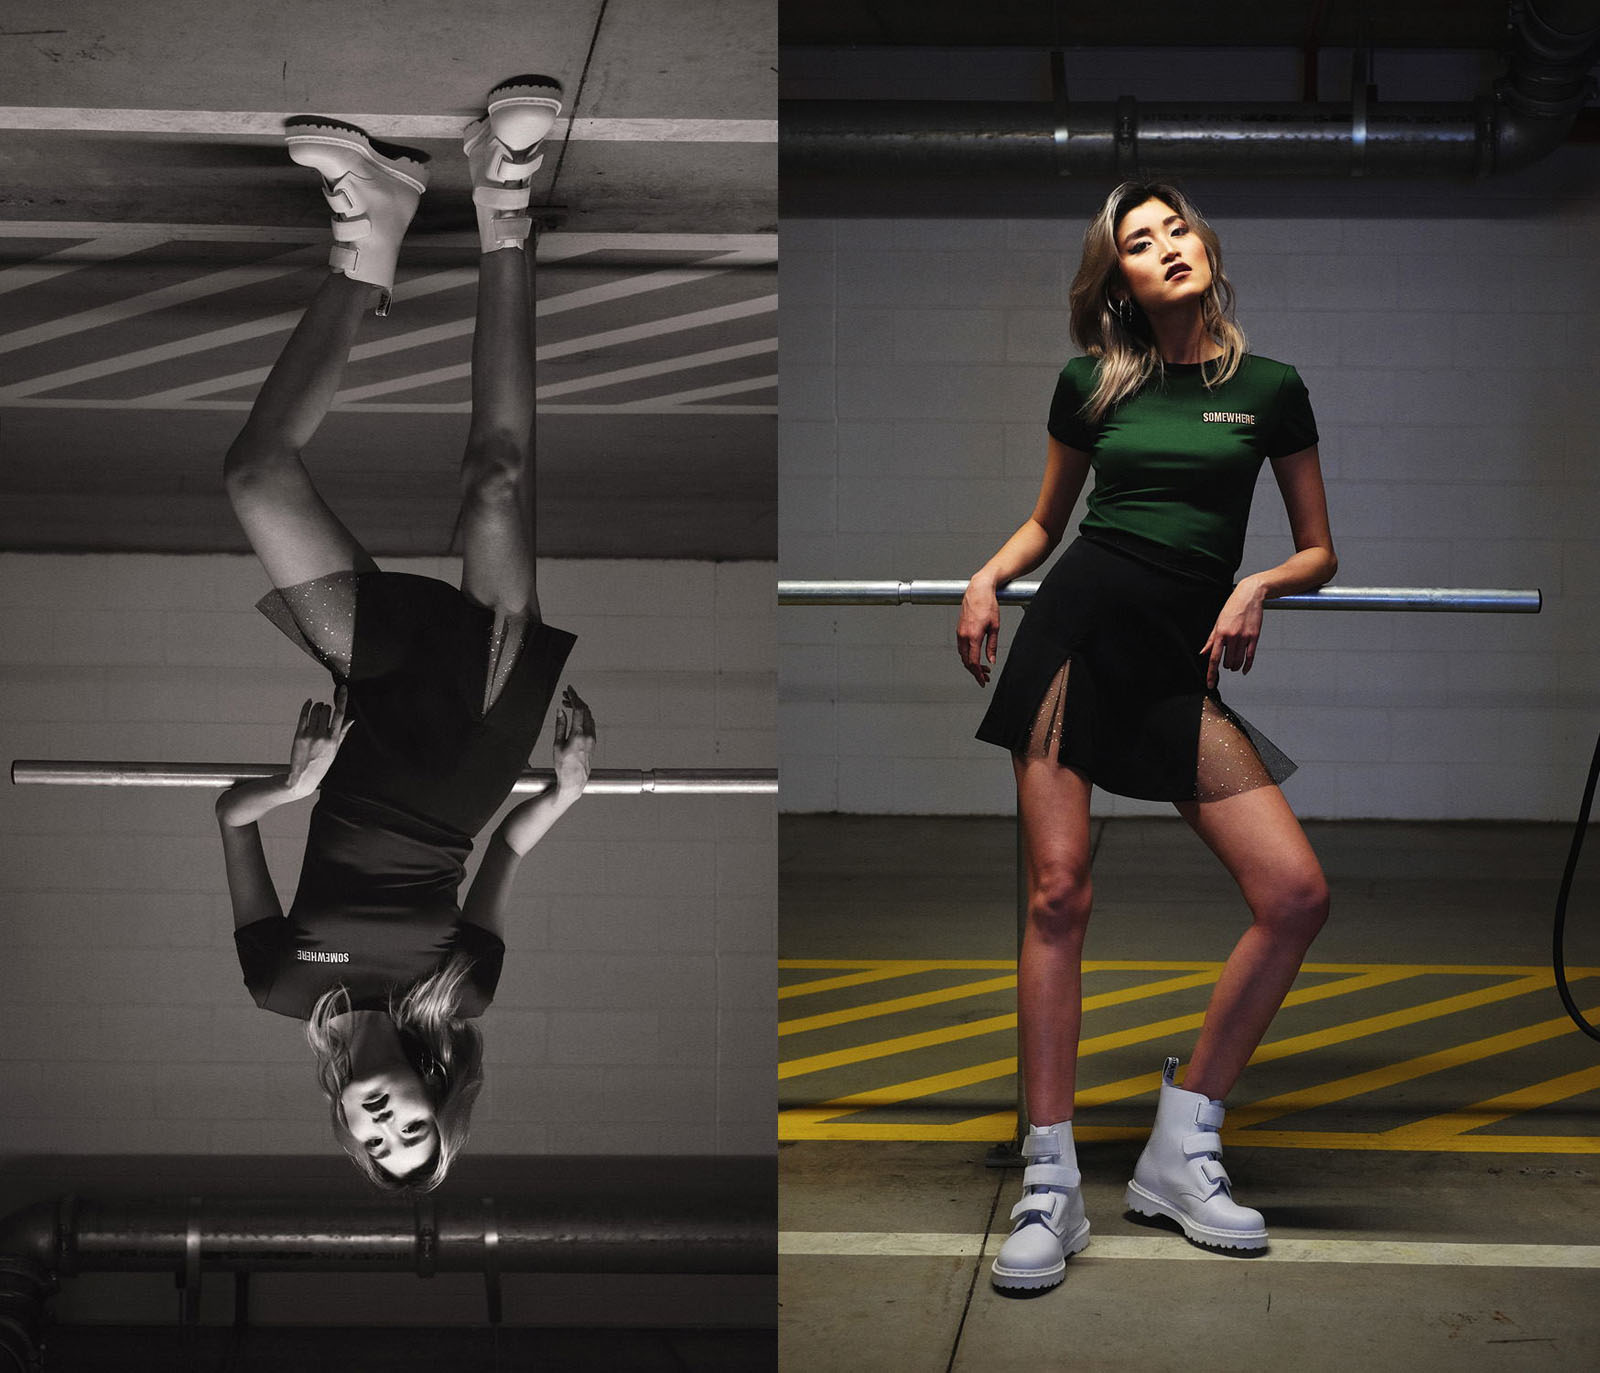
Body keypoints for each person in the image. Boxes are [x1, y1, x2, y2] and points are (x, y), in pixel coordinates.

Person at [214, 77, 593, 1191]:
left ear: (347, 1123)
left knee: (254, 476)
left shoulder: (283, 984)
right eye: (413, 1134)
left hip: (370, 704)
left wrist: (289, 788)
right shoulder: (459, 990)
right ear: (443, 1101)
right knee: (496, 482)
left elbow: (228, 820)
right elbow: (507, 851)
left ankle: (367, 237)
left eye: (375, 1143)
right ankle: (503, 197)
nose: (388, 1126)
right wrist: (562, 790)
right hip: (479, 732)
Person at [958, 182, 1337, 1290]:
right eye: (1138, 242)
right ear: (1114, 277)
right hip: (1073, 635)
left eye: (1176, 231)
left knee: (1295, 892)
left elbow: (1320, 546)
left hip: (1175, 661)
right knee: (1056, 892)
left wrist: (1260, 581)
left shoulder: (1269, 388)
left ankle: (1183, 1142)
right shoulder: (1091, 382)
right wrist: (987, 577)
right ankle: (1049, 1182)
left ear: (1207, 249)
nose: (1165, 249)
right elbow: (1046, 521)